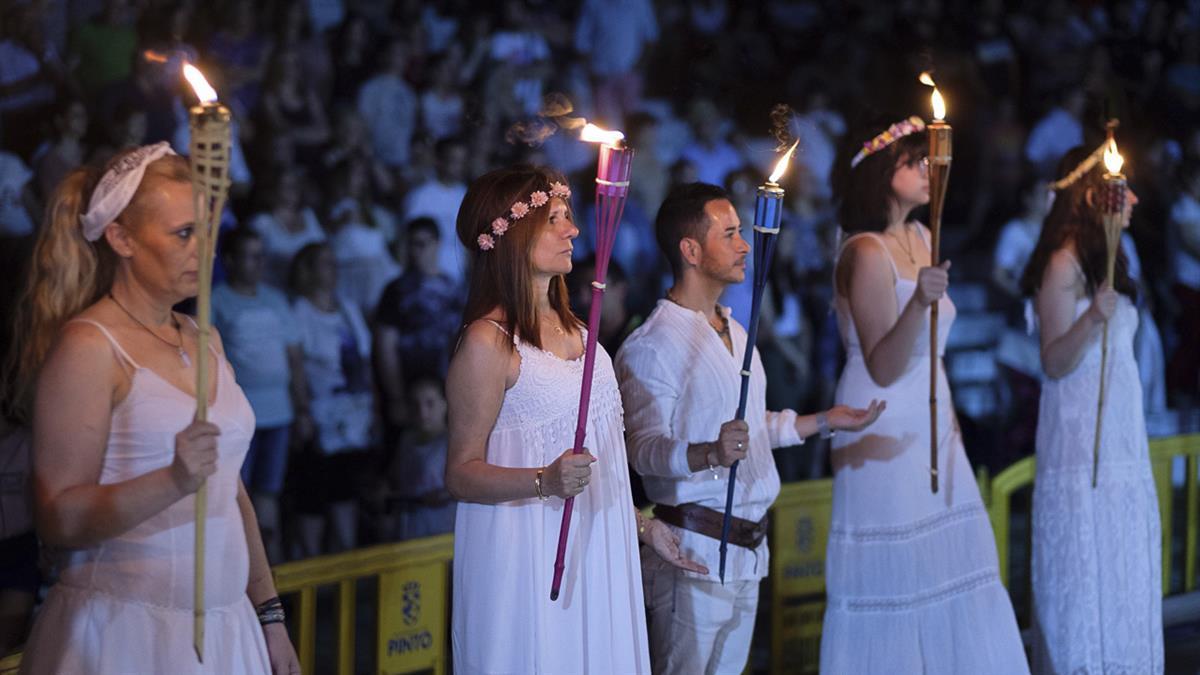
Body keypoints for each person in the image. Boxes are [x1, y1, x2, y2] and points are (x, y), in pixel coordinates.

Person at [3, 143, 299, 673]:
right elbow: (57, 517)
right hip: (125, 636)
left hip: (225, 631)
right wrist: (172, 479)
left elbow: (231, 489)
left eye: (208, 230)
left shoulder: (204, 336)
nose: (203, 249)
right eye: (184, 233)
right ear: (122, 238)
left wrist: (270, 617)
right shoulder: (90, 347)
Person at [614, 182, 883, 674]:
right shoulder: (651, 344)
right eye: (731, 234)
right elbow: (643, 450)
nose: (745, 245)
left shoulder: (736, 330)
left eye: (742, 232)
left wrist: (823, 421)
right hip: (690, 553)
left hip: (747, 552)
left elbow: (749, 426)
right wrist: (709, 453)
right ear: (690, 250)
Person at [445, 165, 704, 674]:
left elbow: (594, 457)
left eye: (569, 216)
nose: (574, 231)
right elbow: (460, 472)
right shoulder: (487, 342)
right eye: (556, 220)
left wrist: (640, 525)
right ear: (513, 235)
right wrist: (544, 480)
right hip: (528, 556)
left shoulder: (582, 333)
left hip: (598, 551)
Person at [822, 116, 1027, 673]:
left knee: (956, 566)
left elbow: (931, 353)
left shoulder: (922, 237)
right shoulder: (865, 252)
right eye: (916, 163)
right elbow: (885, 365)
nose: (930, 172)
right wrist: (919, 302)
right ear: (883, 173)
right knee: (899, 574)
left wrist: (951, 420)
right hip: (879, 418)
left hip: (935, 420)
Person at [1020, 145, 1163, 674]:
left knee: (1123, 561)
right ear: (1091, 192)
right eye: (1123, 188)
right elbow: (1054, 360)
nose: (1135, 199)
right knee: (1084, 567)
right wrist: (1091, 319)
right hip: (1082, 444)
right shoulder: (1063, 262)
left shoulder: (1115, 257)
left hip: (1122, 437)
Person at [212, 226, 307, 564]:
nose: (257, 263)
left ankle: (273, 569)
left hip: (279, 412)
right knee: (239, 496)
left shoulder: (276, 299)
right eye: (250, 256)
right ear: (231, 260)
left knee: (270, 493)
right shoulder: (214, 301)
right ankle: (241, 571)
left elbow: (294, 358)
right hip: (237, 416)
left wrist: (302, 407)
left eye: (260, 256)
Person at [288, 242, 373, 558]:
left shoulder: (348, 307)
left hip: (354, 416)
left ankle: (346, 562)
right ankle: (312, 563)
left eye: (334, 263)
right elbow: (295, 365)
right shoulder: (300, 310)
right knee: (314, 488)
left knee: (347, 487)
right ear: (307, 270)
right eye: (324, 263)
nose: (333, 270)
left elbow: (365, 359)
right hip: (320, 415)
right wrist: (303, 411)